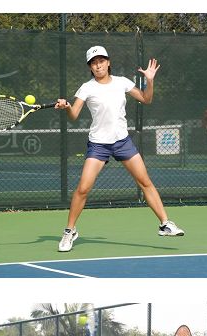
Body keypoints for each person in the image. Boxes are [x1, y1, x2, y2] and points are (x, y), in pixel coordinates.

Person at [55, 45, 184, 252]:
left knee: (145, 182)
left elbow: (146, 99)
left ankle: (165, 224)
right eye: (94, 63)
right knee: (83, 189)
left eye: (101, 61)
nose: (98, 65)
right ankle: (70, 231)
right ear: (90, 67)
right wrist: (68, 107)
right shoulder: (86, 88)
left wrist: (150, 81)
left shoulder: (122, 82)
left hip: (122, 142)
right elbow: (74, 116)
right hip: (98, 144)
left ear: (108, 62)